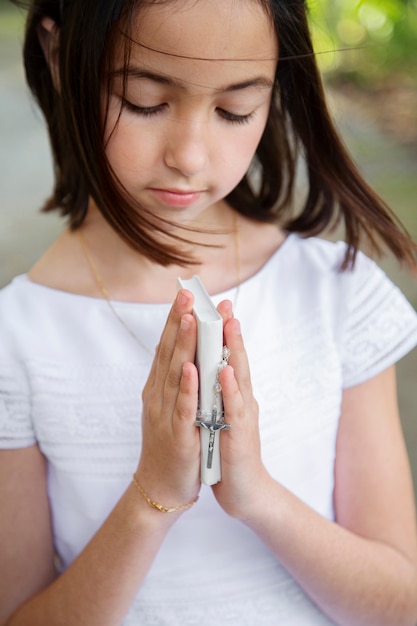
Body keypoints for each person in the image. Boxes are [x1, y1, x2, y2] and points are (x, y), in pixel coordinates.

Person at [1, 0, 417, 624]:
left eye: (234, 110)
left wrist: (257, 498)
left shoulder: (333, 291)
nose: (190, 156)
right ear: (61, 59)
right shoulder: (18, 338)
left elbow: (399, 604)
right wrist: (151, 498)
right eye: (145, 101)